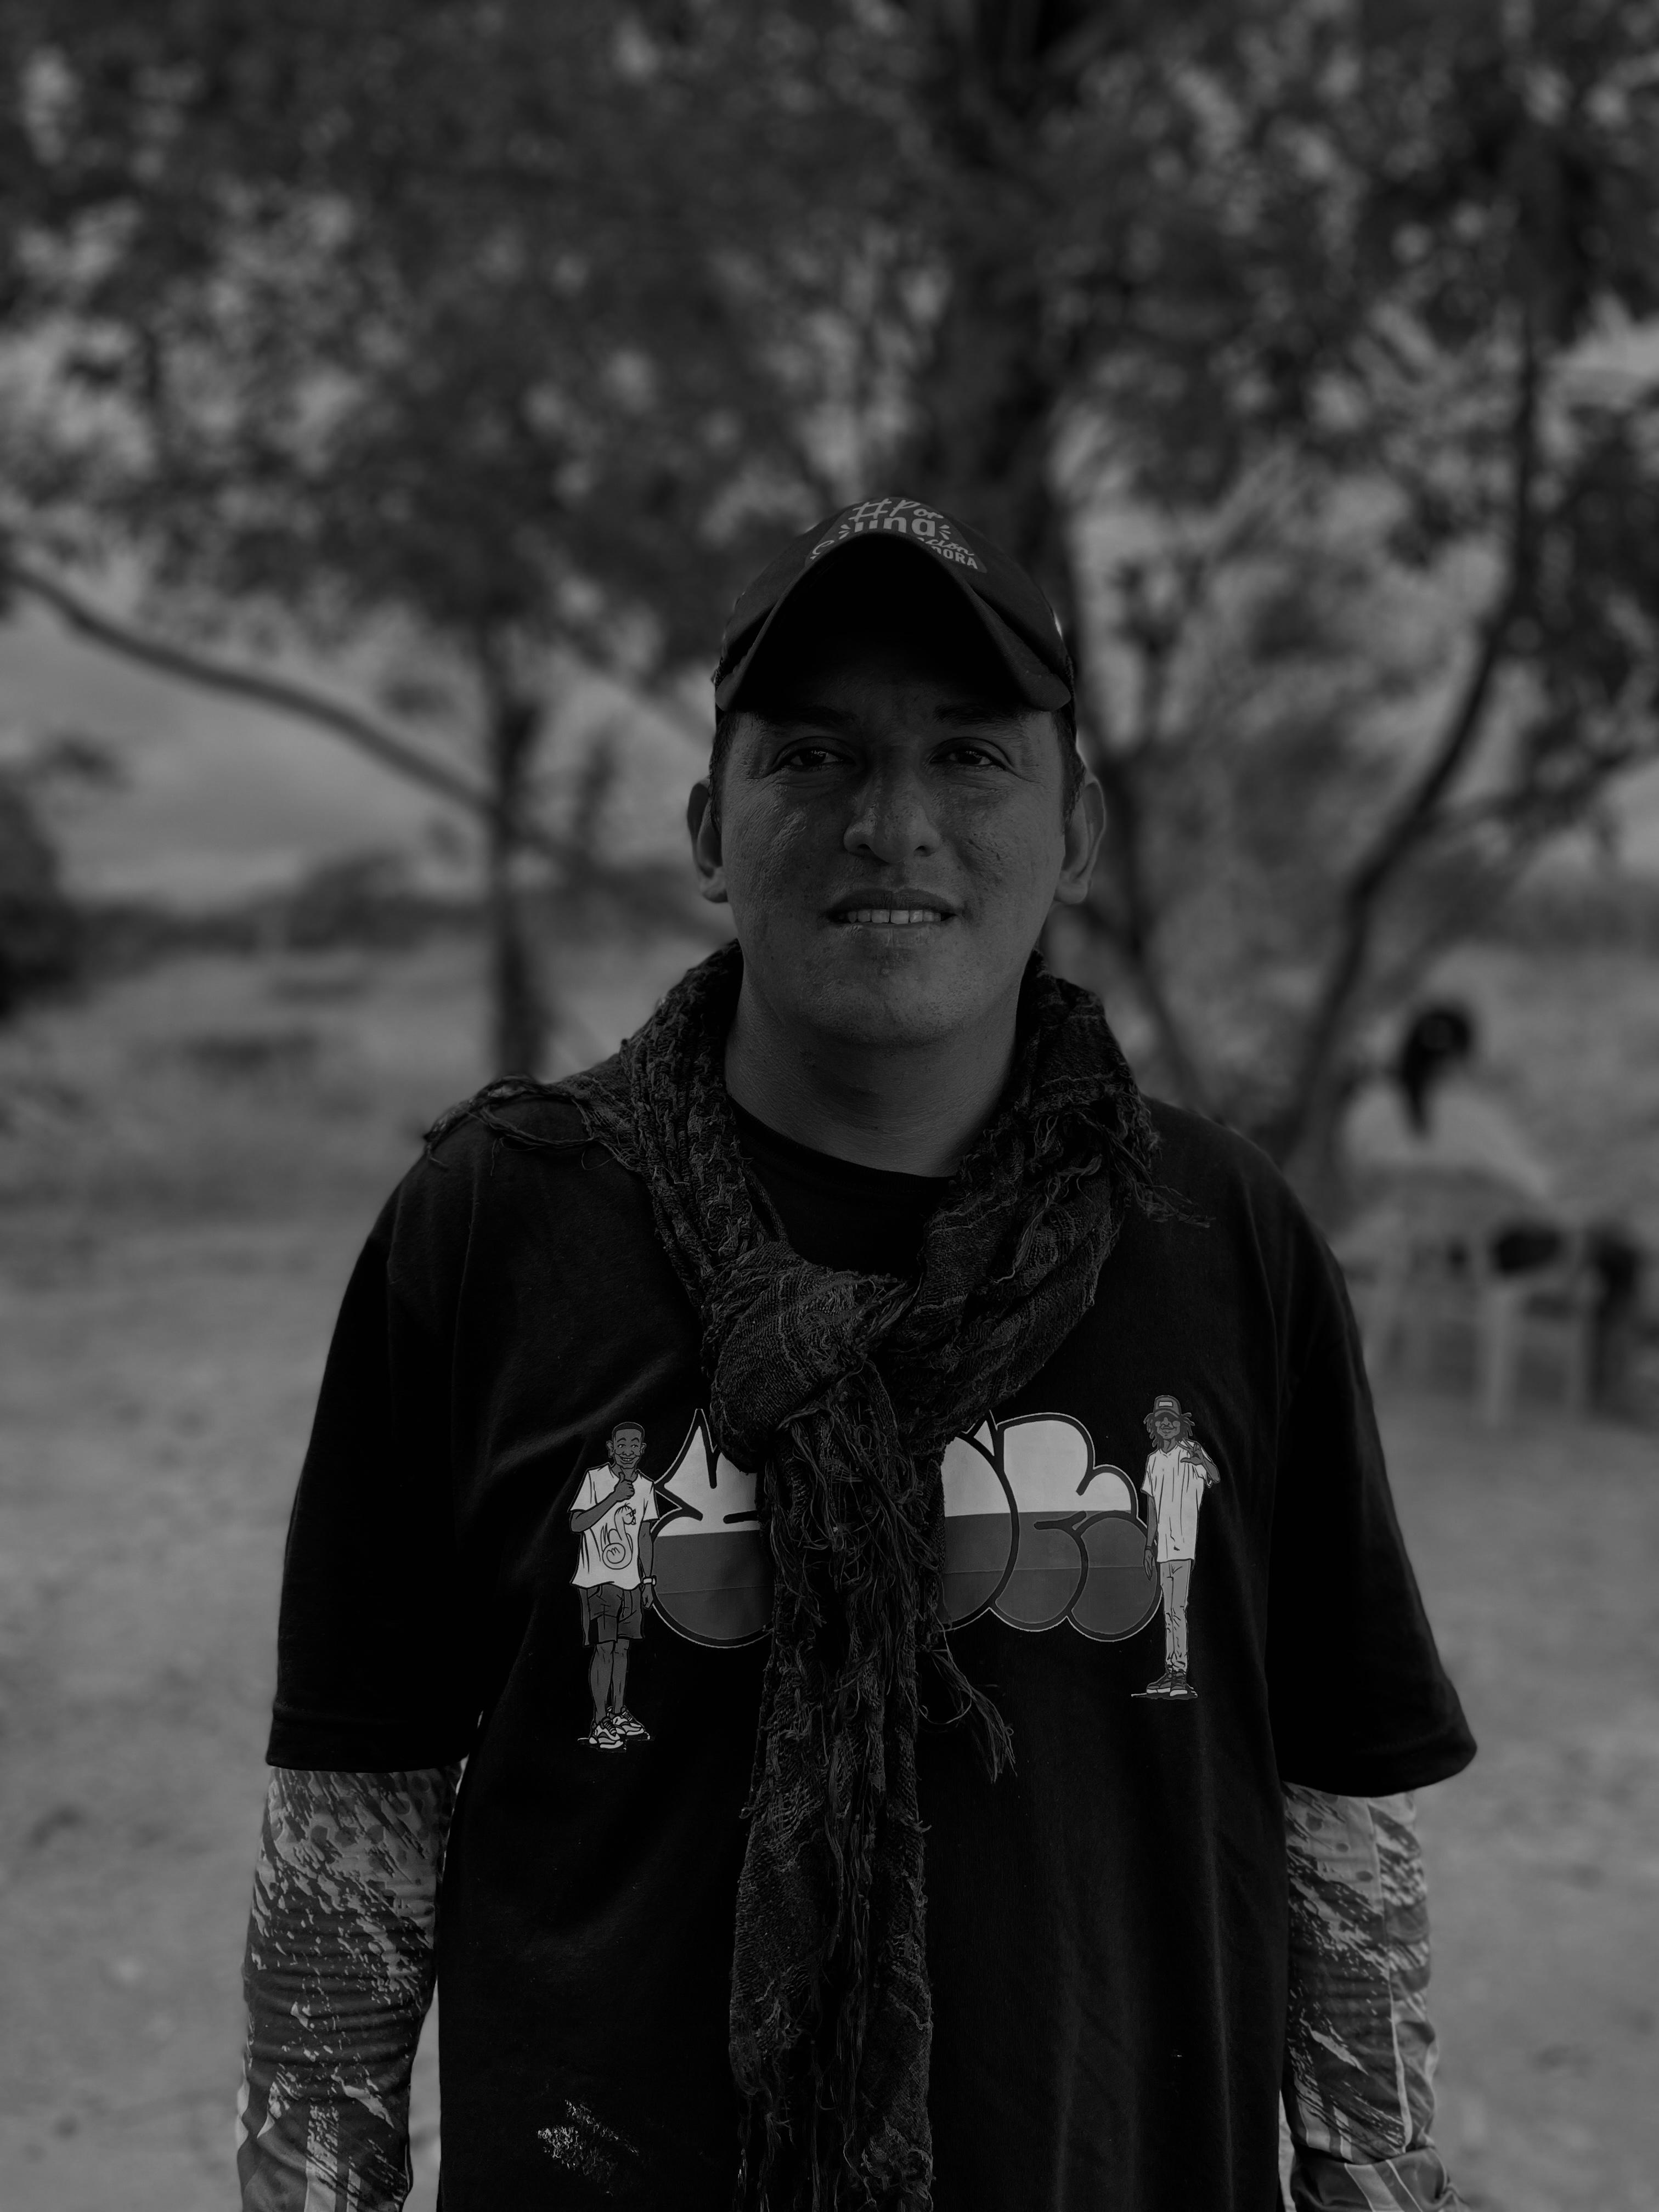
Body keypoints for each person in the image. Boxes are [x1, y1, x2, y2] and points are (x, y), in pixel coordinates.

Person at [238, 494, 1474, 2212]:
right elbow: (360, 1802)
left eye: (969, 757)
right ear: (710, 827)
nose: (893, 825)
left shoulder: (1222, 1238)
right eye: (814, 756)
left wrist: (1377, 2180)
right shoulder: (496, 1227)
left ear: (1077, 829)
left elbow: (1338, 1807)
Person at [569, 1419, 659, 1748]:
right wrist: (614, 1497)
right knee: (604, 1648)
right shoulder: (595, 1479)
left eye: (634, 1445)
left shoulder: (647, 1487)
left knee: (622, 1648)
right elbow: (577, 1523)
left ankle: (618, 1713)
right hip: (598, 1580)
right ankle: (598, 1722)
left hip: (631, 1583)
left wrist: (647, 1580)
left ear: (643, 1449)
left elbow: (645, 1536)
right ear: (611, 1448)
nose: (628, 1451)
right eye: (621, 1444)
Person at [1136, 1392, 1220, 1700]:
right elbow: (1152, 1507)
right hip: (1163, 1550)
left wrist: (1203, 1461)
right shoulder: (1153, 1461)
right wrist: (1149, 1546)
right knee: (1168, 1612)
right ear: (1154, 1426)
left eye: (1171, 1420)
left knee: (1177, 1611)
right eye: (1161, 1421)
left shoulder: (1191, 1452)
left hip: (1184, 1547)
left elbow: (1215, 1477)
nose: (1166, 1425)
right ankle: (1171, 1671)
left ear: (1181, 1424)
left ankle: (1180, 1674)